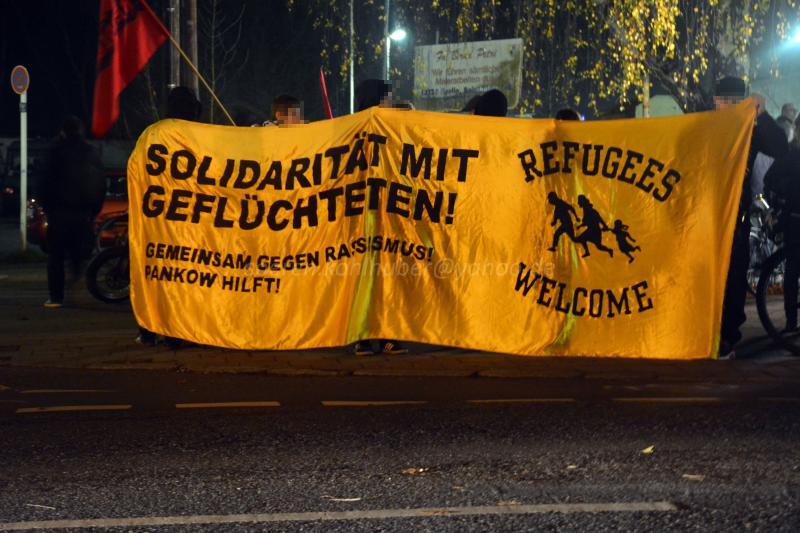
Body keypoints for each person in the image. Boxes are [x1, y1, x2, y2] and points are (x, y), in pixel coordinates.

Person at [715, 76, 789, 358]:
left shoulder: (751, 131)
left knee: (734, 278)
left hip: (737, 220)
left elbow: (780, 148)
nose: (731, 107)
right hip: (706, 219)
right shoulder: (703, 127)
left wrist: (763, 114)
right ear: (716, 102)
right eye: (726, 101)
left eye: (737, 101)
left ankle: (727, 337)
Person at [137, 87, 201, 347]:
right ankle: (179, 332)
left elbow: (137, 173)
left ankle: (149, 329)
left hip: (156, 220)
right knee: (185, 279)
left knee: (156, 276)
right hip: (189, 221)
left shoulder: (152, 134)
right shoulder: (199, 136)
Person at [351, 79, 407, 356]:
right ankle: (364, 335)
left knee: (387, 279)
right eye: (387, 98)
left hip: (387, 215)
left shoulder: (391, 127)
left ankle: (386, 334)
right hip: (365, 218)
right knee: (366, 279)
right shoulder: (356, 128)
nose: (390, 102)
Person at [41, 116, 105, 308]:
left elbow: (44, 183)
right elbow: (99, 183)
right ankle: (76, 275)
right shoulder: (91, 153)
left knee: (56, 256)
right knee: (79, 252)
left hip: (59, 212)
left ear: (63, 131)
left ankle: (56, 297)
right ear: (80, 130)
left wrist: (48, 208)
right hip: (83, 212)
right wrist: (94, 210)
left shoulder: (54, 152)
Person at [764, 113, 800, 332]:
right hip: (794, 220)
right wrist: (780, 202)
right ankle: (790, 321)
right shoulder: (790, 156)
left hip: (793, 218)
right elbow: (771, 180)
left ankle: (790, 323)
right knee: (793, 271)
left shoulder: (791, 155)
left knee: (792, 271)